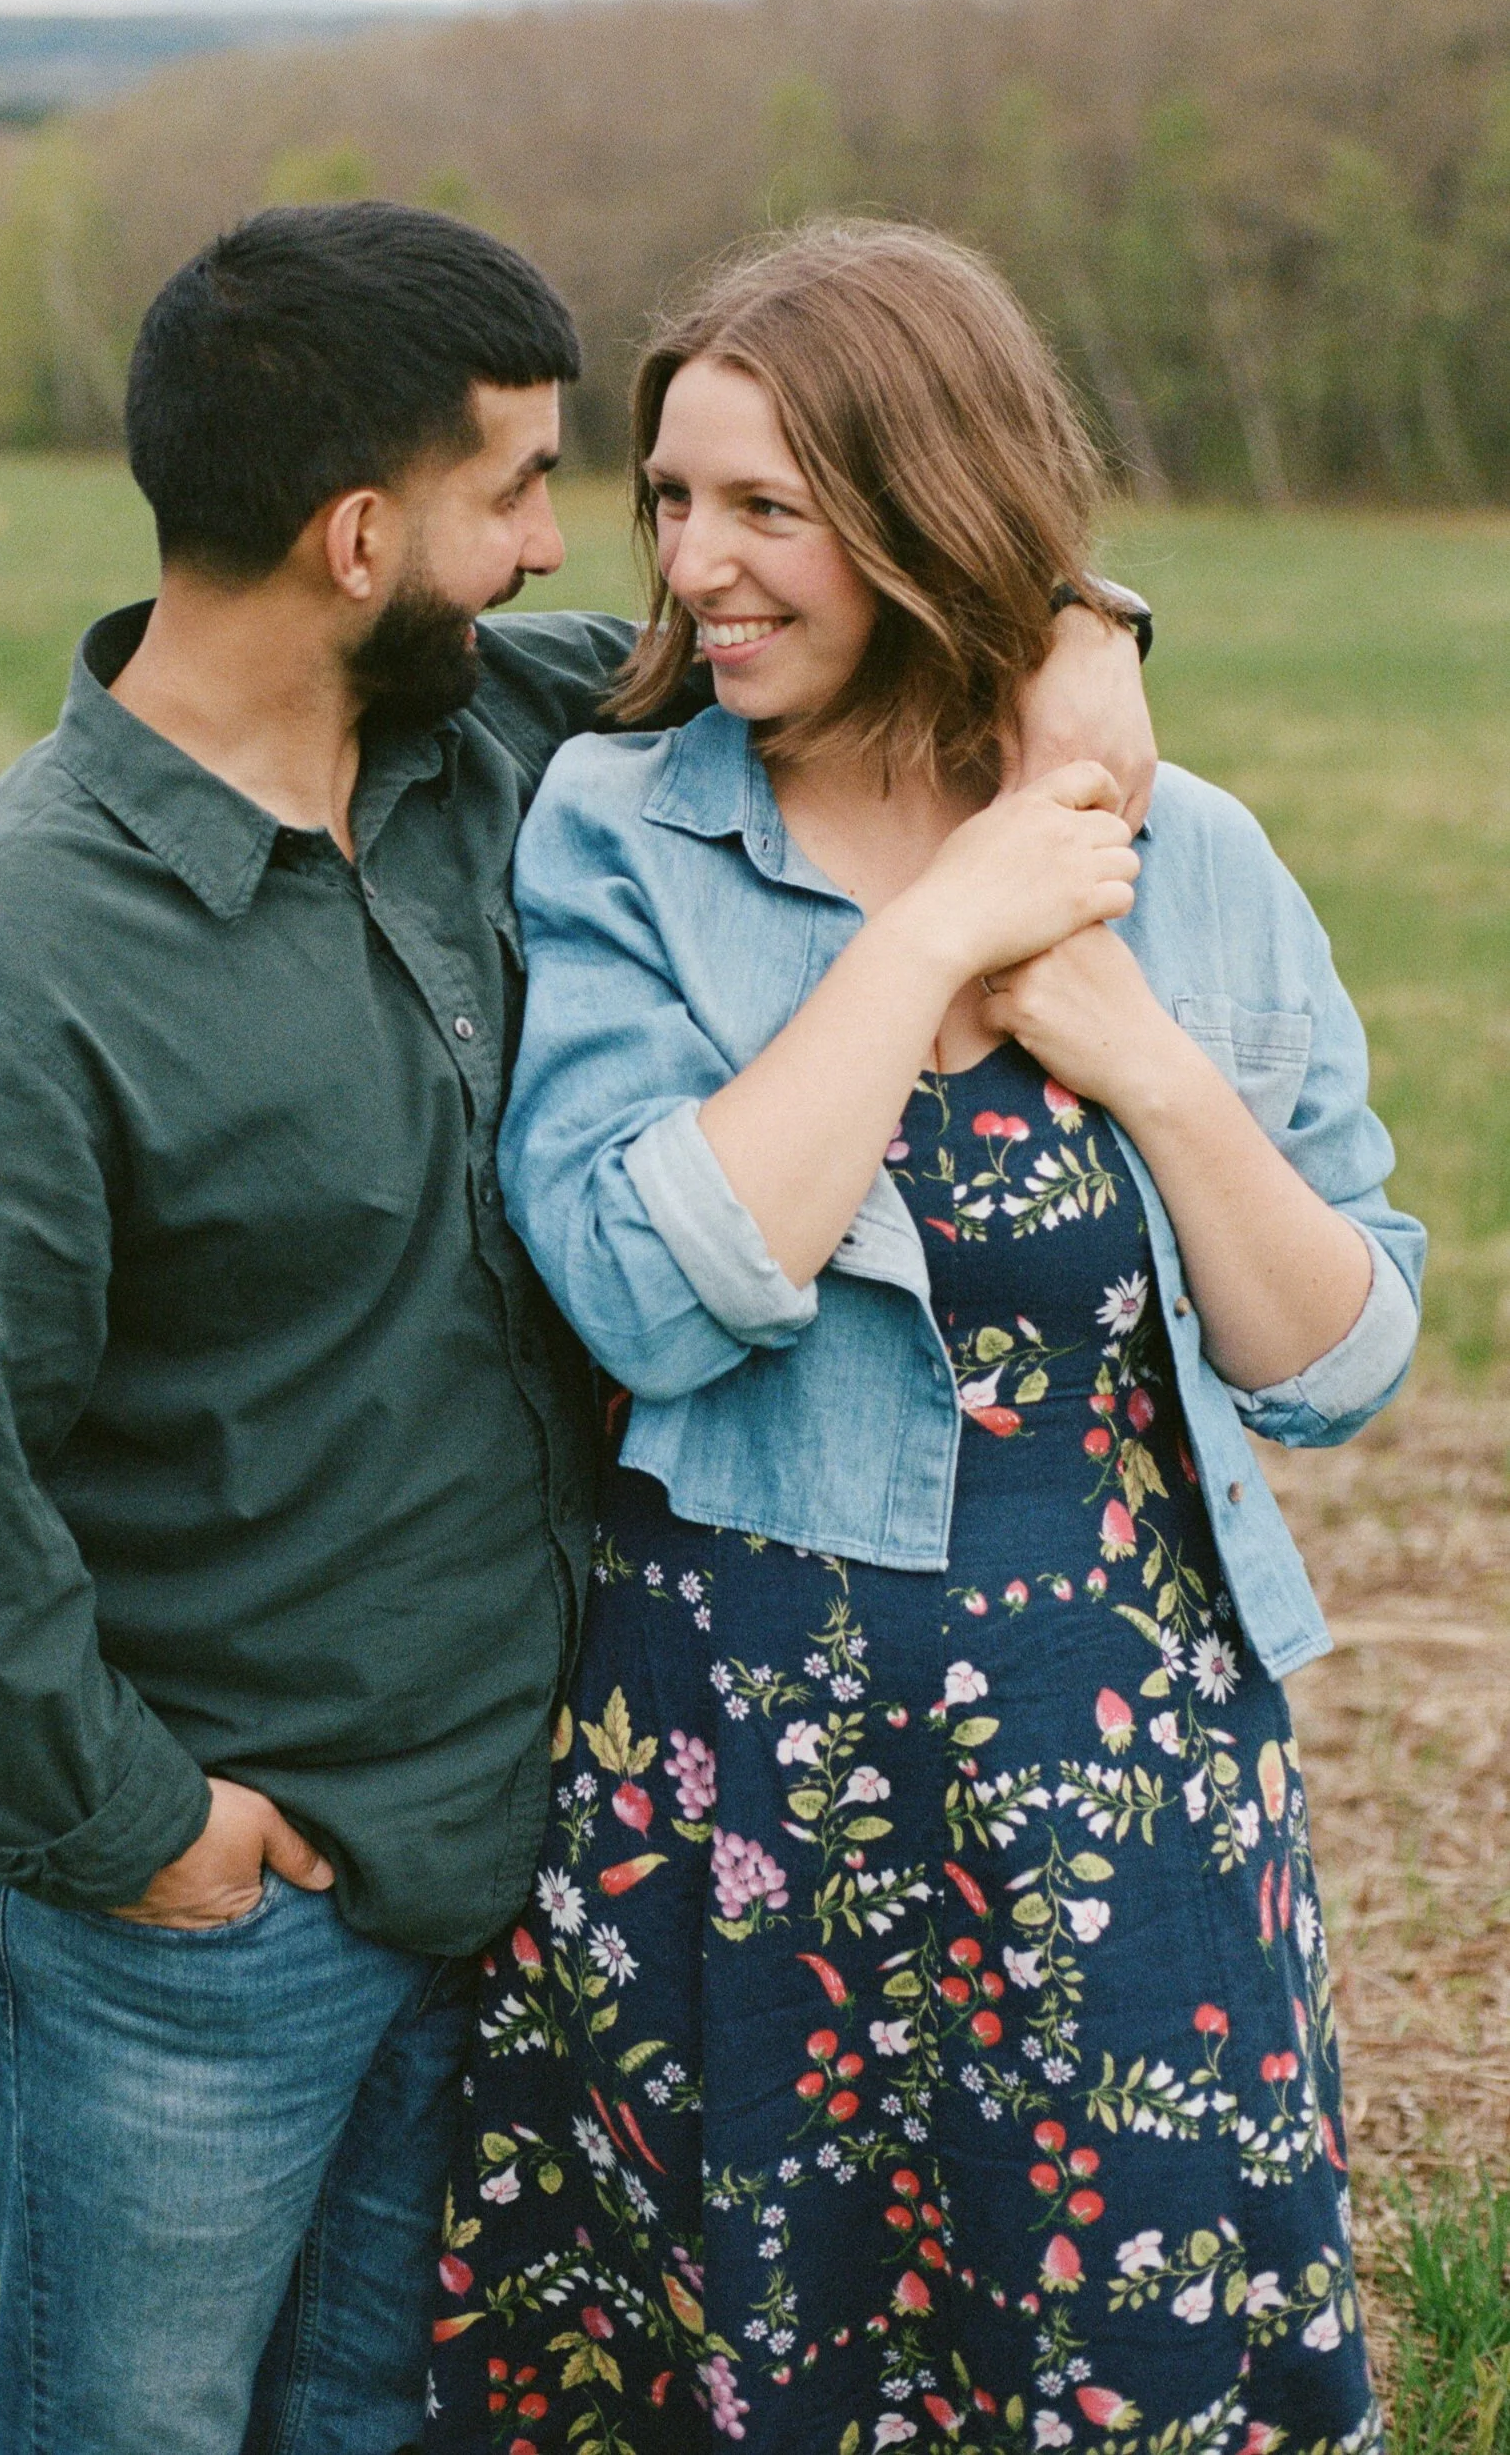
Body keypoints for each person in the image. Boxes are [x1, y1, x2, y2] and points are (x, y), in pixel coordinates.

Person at [0, 203, 1156, 2455]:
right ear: (356, 534)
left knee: (362, 2414)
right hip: (187, 1910)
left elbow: (870, 601)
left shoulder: (501, 736)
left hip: (478, 1848)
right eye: (518, 490)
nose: (561, 550)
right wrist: (156, 1833)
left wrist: (1086, 630)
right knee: (130, 2418)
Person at [427, 220, 1421, 2455]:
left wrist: (1150, 1064)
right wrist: (941, 927)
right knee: (761, 2336)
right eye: (671, 500)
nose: (694, 567)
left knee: (1112, 2339)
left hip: (1123, 1758)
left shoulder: (1194, 861)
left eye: (765, 505)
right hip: (736, 1773)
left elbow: (1340, 1359)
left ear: (921, 508)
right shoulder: (623, 824)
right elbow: (645, 1291)